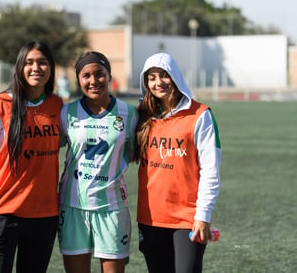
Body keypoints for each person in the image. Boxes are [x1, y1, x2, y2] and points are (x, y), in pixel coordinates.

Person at [0, 41, 62, 273]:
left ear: (51, 68)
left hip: (44, 214)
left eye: (42, 62)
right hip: (1, 213)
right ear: (19, 67)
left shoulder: (58, 106)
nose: (36, 68)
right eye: (29, 63)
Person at [135, 53, 221, 273]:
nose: (157, 83)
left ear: (175, 76)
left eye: (164, 75)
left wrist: (203, 215)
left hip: (187, 218)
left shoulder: (200, 115)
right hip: (150, 218)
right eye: (151, 78)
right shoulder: (143, 116)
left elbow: (211, 170)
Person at [58, 51, 138, 273]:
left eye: (99, 74)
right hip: (73, 205)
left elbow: (134, 152)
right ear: (78, 80)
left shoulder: (129, 113)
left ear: (109, 76)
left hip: (112, 208)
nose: (93, 81)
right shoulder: (66, 113)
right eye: (86, 76)